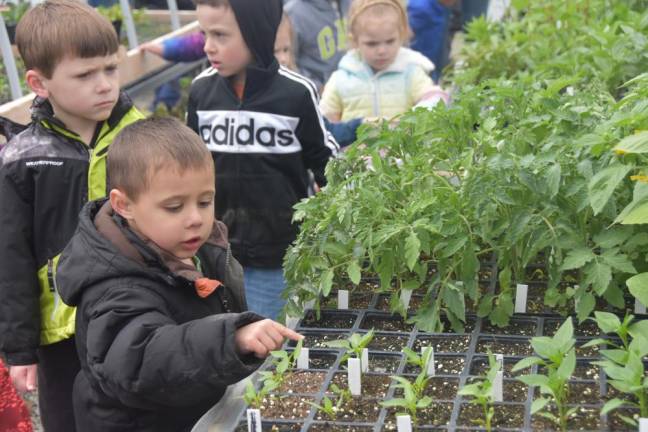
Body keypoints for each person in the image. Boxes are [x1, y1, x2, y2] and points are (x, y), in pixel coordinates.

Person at [55, 117, 301, 431]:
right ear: (123, 205)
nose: (195, 218)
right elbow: (141, 358)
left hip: (193, 411)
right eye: (174, 207)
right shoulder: (114, 285)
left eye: (205, 201)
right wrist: (230, 338)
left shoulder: (191, 246)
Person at [0, 1, 144, 431]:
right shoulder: (23, 160)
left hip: (137, 315)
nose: (104, 86)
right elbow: (11, 260)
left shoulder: (142, 136)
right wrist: (20, 350)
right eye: (84, 75)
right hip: (61, 333)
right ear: (39, 84)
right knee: (67, 420)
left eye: (110, 69)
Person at [187, 0, 338, 319]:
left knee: (269, 348)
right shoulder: (201, 92)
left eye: (220, 36)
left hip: (277, 254)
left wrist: (333, 217)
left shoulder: (296, 94)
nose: (208, 47)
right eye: (204, 34)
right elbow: (189, 168)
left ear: (256, 34)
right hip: (215, 251)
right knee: (223, 340)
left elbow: (326, 161)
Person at [320, 0, 448, 122]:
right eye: (371, 44)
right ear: (355, 40)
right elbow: (325, 121)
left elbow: (436, 99)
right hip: (354, 145)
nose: (382, 50)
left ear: (402, 35)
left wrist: (415, 117)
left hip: (402, 144)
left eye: (390, 41)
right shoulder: (342, 78)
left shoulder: (410, 72)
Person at [284, 0, 352, 90]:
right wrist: (317, 88)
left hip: (353, 89)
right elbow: (287, 64)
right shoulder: (294, 13)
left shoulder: (352, 3)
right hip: (318, 97)